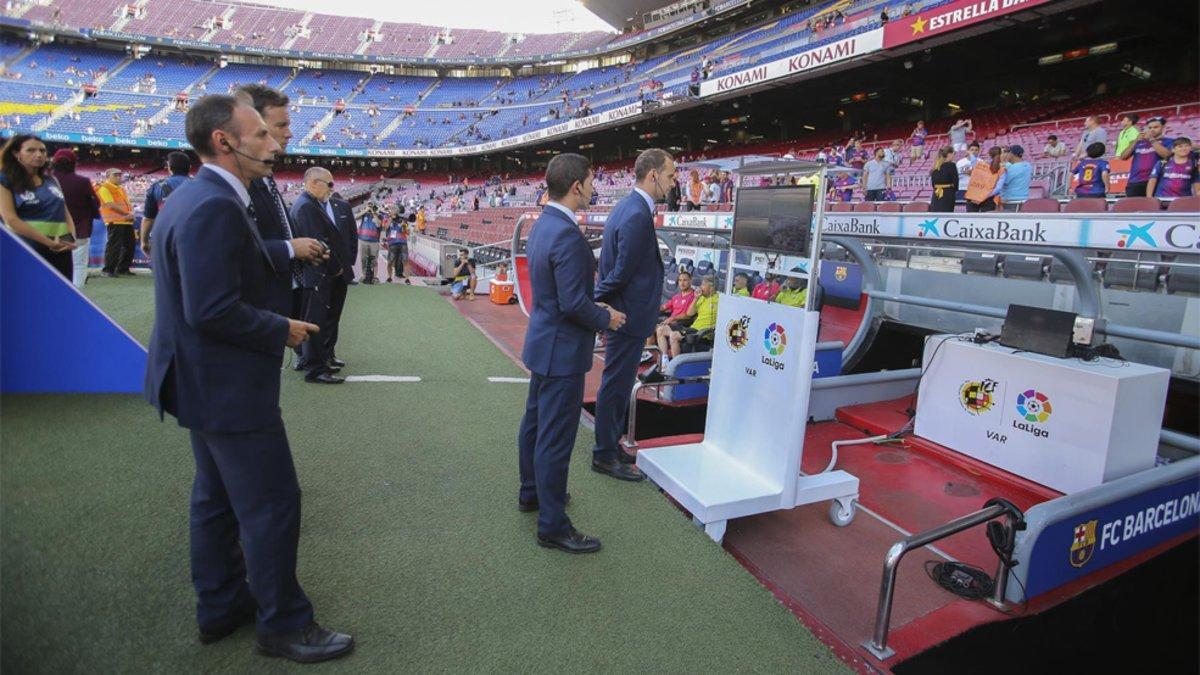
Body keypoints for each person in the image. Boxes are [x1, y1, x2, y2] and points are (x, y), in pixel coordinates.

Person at [142, 94, 353, 663]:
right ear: (224, 142)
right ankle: (283, 623)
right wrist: (276, 326)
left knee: (215, 500)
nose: (274, 143)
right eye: (260, 133)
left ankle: (220, 605)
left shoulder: (197, 198)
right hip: (226, 386)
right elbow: (210, 308)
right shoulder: (214, 204)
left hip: (200, 382)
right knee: (272, 503)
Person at [517, 152, 624, 554]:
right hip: (561, 351)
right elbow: (574, 304)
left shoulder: (543, 224)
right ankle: (552, 525)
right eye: (593, 181)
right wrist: (607, 318)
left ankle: (532, 493)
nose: (595, 188)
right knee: (555, 438)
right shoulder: (566, 235)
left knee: (534, 425)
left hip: (543, 344)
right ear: (577, 186)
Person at [593, 148, 672, 475]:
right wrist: (596, 301)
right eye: (669, 174)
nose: (672, 181)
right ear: (653, 175)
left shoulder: (628, 206)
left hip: (626, 313)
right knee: (616, 385)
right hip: (626, 317)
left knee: (618, 384)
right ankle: (604, 455)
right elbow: (621, 272)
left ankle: (610, 446)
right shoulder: (637, 213)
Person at [237, 84, 327, 323]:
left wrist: (302, 251)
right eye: (280, 125)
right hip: (254, 316)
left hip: (273, 311)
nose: (288, 134)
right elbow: (236, 253)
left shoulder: (264, 176)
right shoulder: (240, 183)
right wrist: (290, 249)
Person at [290, 167, 350, 384]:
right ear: (314, 183)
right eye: (329, 184)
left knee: (319, 320)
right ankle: (315, 369)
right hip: (317, 274)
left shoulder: (308, 204)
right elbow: (318, 243)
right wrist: (336, 267)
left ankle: (318, 362)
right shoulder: (306, 206)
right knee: (315, 322)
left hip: (316, 274)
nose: (332, 189)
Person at [0, 134, 77, 278]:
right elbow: (11, 220)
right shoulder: (4, 180)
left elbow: (64, 212)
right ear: (16, 153)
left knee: (60, 296)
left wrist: (70, 238)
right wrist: (48, 242)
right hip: (26, 250)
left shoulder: (52, 180)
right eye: (31, 150)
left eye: (42, 151)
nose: (38, 155)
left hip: (60, 251)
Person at [50, 148, 100, 289]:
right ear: (73, 163)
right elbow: (96, 203)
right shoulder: (82, 182)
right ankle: (76, 298)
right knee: (78, 266)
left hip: (50, 231)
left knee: (51, 265)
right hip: (80, 230)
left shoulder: (45, 181)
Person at [140, 151, 192, 258]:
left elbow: (148, 219)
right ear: (189, 167)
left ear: (169, 167)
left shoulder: (157, 186)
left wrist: (144, 242)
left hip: (166, 237)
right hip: (195, 237)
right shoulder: (201, 185)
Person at [650, 270, 695, 372]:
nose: (682, 283)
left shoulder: (693, 296)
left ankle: (673, 365)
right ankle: (664, 361)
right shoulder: (676, 297)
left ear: (690, 281)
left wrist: (673, 318)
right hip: (671, 324)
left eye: (685, 280)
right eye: (680, 280)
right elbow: (663, 308)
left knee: (660, 329)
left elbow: (688, 315)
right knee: (657, 328)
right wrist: (649, 309)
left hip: (683, 325)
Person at [1119, 115, 1172, 197]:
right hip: (1135, 181)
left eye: (1155, 127)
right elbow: (1123, 156)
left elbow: (1166, 155)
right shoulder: (1139, 142)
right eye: (1150, 128)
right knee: (1133, 208)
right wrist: (1136, 140)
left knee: (1154, 207)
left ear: (1163, 127)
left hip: (1156, 180)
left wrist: (1151, 139)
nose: (1152, 130)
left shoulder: (1169, 141)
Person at [667, 275, 718, 357]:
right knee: (661, 329)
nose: (701, 287)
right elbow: (689, 314)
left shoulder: (719, 300)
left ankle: (675, 366)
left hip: (703, 333)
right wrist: (696, 298)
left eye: (703, 285)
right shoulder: (701, 298)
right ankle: (666, 359)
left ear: (711, 287)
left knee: (674, 335)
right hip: (694, 329)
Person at [97, 167, 135, 277]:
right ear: (108, 177)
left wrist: (131, 213)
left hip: (126, 221)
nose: (119, 177)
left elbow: (128, 203)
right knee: (114, 246)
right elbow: (110, 204)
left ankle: (123, 269)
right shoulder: (104, 188)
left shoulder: (121, 189)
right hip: (114, 221)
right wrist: (126, 214)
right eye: (115, 175)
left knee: (129, 246)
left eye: (120, 175)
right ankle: (108, 270)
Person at [966, 147, 1005, 213]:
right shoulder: (1002, 169)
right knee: (987, 222)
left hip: (973, 195)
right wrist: (984, 197)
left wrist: (970, 153)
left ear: (989, 155)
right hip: (989, 198)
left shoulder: (980, 165)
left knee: (971, 220)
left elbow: (973, 161)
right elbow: (998, 188)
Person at [356, 203, 382, 284]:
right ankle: (364, 276)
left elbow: (378, 224)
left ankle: (374, 277)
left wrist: (373, 213)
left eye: (372, 206)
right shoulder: (364, 214)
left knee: (374, 260)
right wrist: (365, 210)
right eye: (369, 205)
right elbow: (356, 217)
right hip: (363, 240)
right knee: (363, 259)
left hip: (374, 241)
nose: (370, 207)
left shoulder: (379, 215)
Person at [999, 145, 1031, 211]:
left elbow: (1003, 181)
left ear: (1011, 154)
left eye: (1008, 152)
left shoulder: (1013, 168)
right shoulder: (1028, 165)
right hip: (1024, 198)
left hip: (1011, 200)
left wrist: (1002, 162)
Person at [929, 145, 958, 212]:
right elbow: (956, 182)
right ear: (949, 154)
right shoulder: (952, 165)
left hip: (936, 194)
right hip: (948, 194)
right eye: (953, 154)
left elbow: (933, 184)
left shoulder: (935, 166)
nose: (954, 156)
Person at [385, 207, 409, 284]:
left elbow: (405, 231)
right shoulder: (388, 218)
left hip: (402, 242)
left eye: (395, 211)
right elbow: (386, 227)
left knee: (405, 260)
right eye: (392, 210)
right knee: (390, 261)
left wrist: (403, 225)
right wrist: (391, 218)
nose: (394, 212)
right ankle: (389, 277)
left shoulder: (402, 219)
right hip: (392, 243)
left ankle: (407, 279)